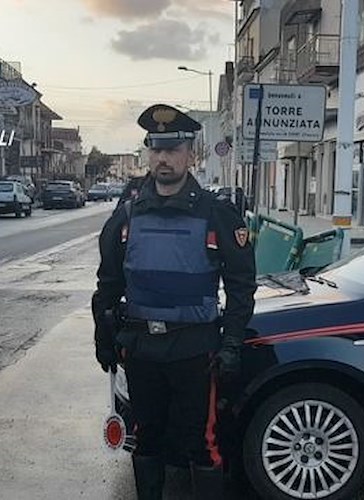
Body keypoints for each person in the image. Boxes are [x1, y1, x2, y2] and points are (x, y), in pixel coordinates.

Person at [91, 104, 256, 500]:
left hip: (195, 352)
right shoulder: (127, 213)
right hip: (142, 349)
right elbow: (109, 281)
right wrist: (104, 333)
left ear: (190, 154)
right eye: (157, 149)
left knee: (201, 444)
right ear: (149, 152)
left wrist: (232, 342)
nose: (163, 158)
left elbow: (241, 286)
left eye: (173, 149)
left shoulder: (217, 214)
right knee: (146, 441)